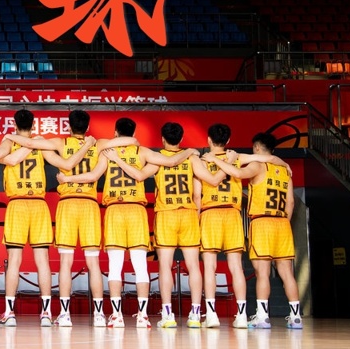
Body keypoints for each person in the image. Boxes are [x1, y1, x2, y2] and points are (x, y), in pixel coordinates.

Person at [0, 109, 89, 327]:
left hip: (17, 204)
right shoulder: (41, 144)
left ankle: (9, 313)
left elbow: (3, 160)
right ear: (34, 125)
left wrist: (18, 141)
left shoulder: (9, 142)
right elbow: (66, 164)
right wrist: (34, 144)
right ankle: (46, 313)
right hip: (38, 205)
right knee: (42, 261)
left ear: (14, 124)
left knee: (14, 261)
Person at [61, 118, 194, 329]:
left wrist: (68, 180)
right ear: (134, 133)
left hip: (115, 210)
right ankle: (143, 316)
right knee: (140, 265)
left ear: (115, 132)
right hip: (137, 211)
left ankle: (117, 315)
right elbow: (170, 161)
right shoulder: (142, 152)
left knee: (115, 266)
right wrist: (190, 152)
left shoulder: (107, 152)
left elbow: (93, 176)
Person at [25, 110, 136, 327]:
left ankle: (65, 314)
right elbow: (132, 140)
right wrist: (93, 142)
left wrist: (31, 138)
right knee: (93, 263)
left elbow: (31, 143)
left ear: (69, 126)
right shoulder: (99, 144)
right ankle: (99, 315)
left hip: (68, 204)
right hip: (89, 205)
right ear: (87, 127)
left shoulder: (60, 143)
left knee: (65, 263)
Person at [104, 122, 219, 328]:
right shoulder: (192, 158)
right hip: (188, 212)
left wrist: (118, 159)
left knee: (165, 266)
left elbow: (139, 175)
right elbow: (210, 181)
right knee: (193, 265)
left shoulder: (157, 159)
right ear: (181, 139)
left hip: (166, 214)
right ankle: (195, 315)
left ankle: (167, 315)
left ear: (162, 139)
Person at [204, 133, 302, 329]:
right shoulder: (285, 171)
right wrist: (284, 223)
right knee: (287, 273)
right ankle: (296, 317)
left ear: (257, 148)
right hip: (283, 222)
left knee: (262, 272)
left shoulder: (257, 165)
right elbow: (291, 202)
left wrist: (215, 160)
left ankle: (263, 316)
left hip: (262, 221)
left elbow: (238, 173)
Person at [197, 124, 249, 328]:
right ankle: (242, 315)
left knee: (209, 267)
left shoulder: (202, 161)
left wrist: (197, 219)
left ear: (208, 140)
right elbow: (265, 158)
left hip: (210, 213)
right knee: (236, 267)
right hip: (232, 214)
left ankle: (211, 315)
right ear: (228, 141)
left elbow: (197, 195)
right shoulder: (237, 158)